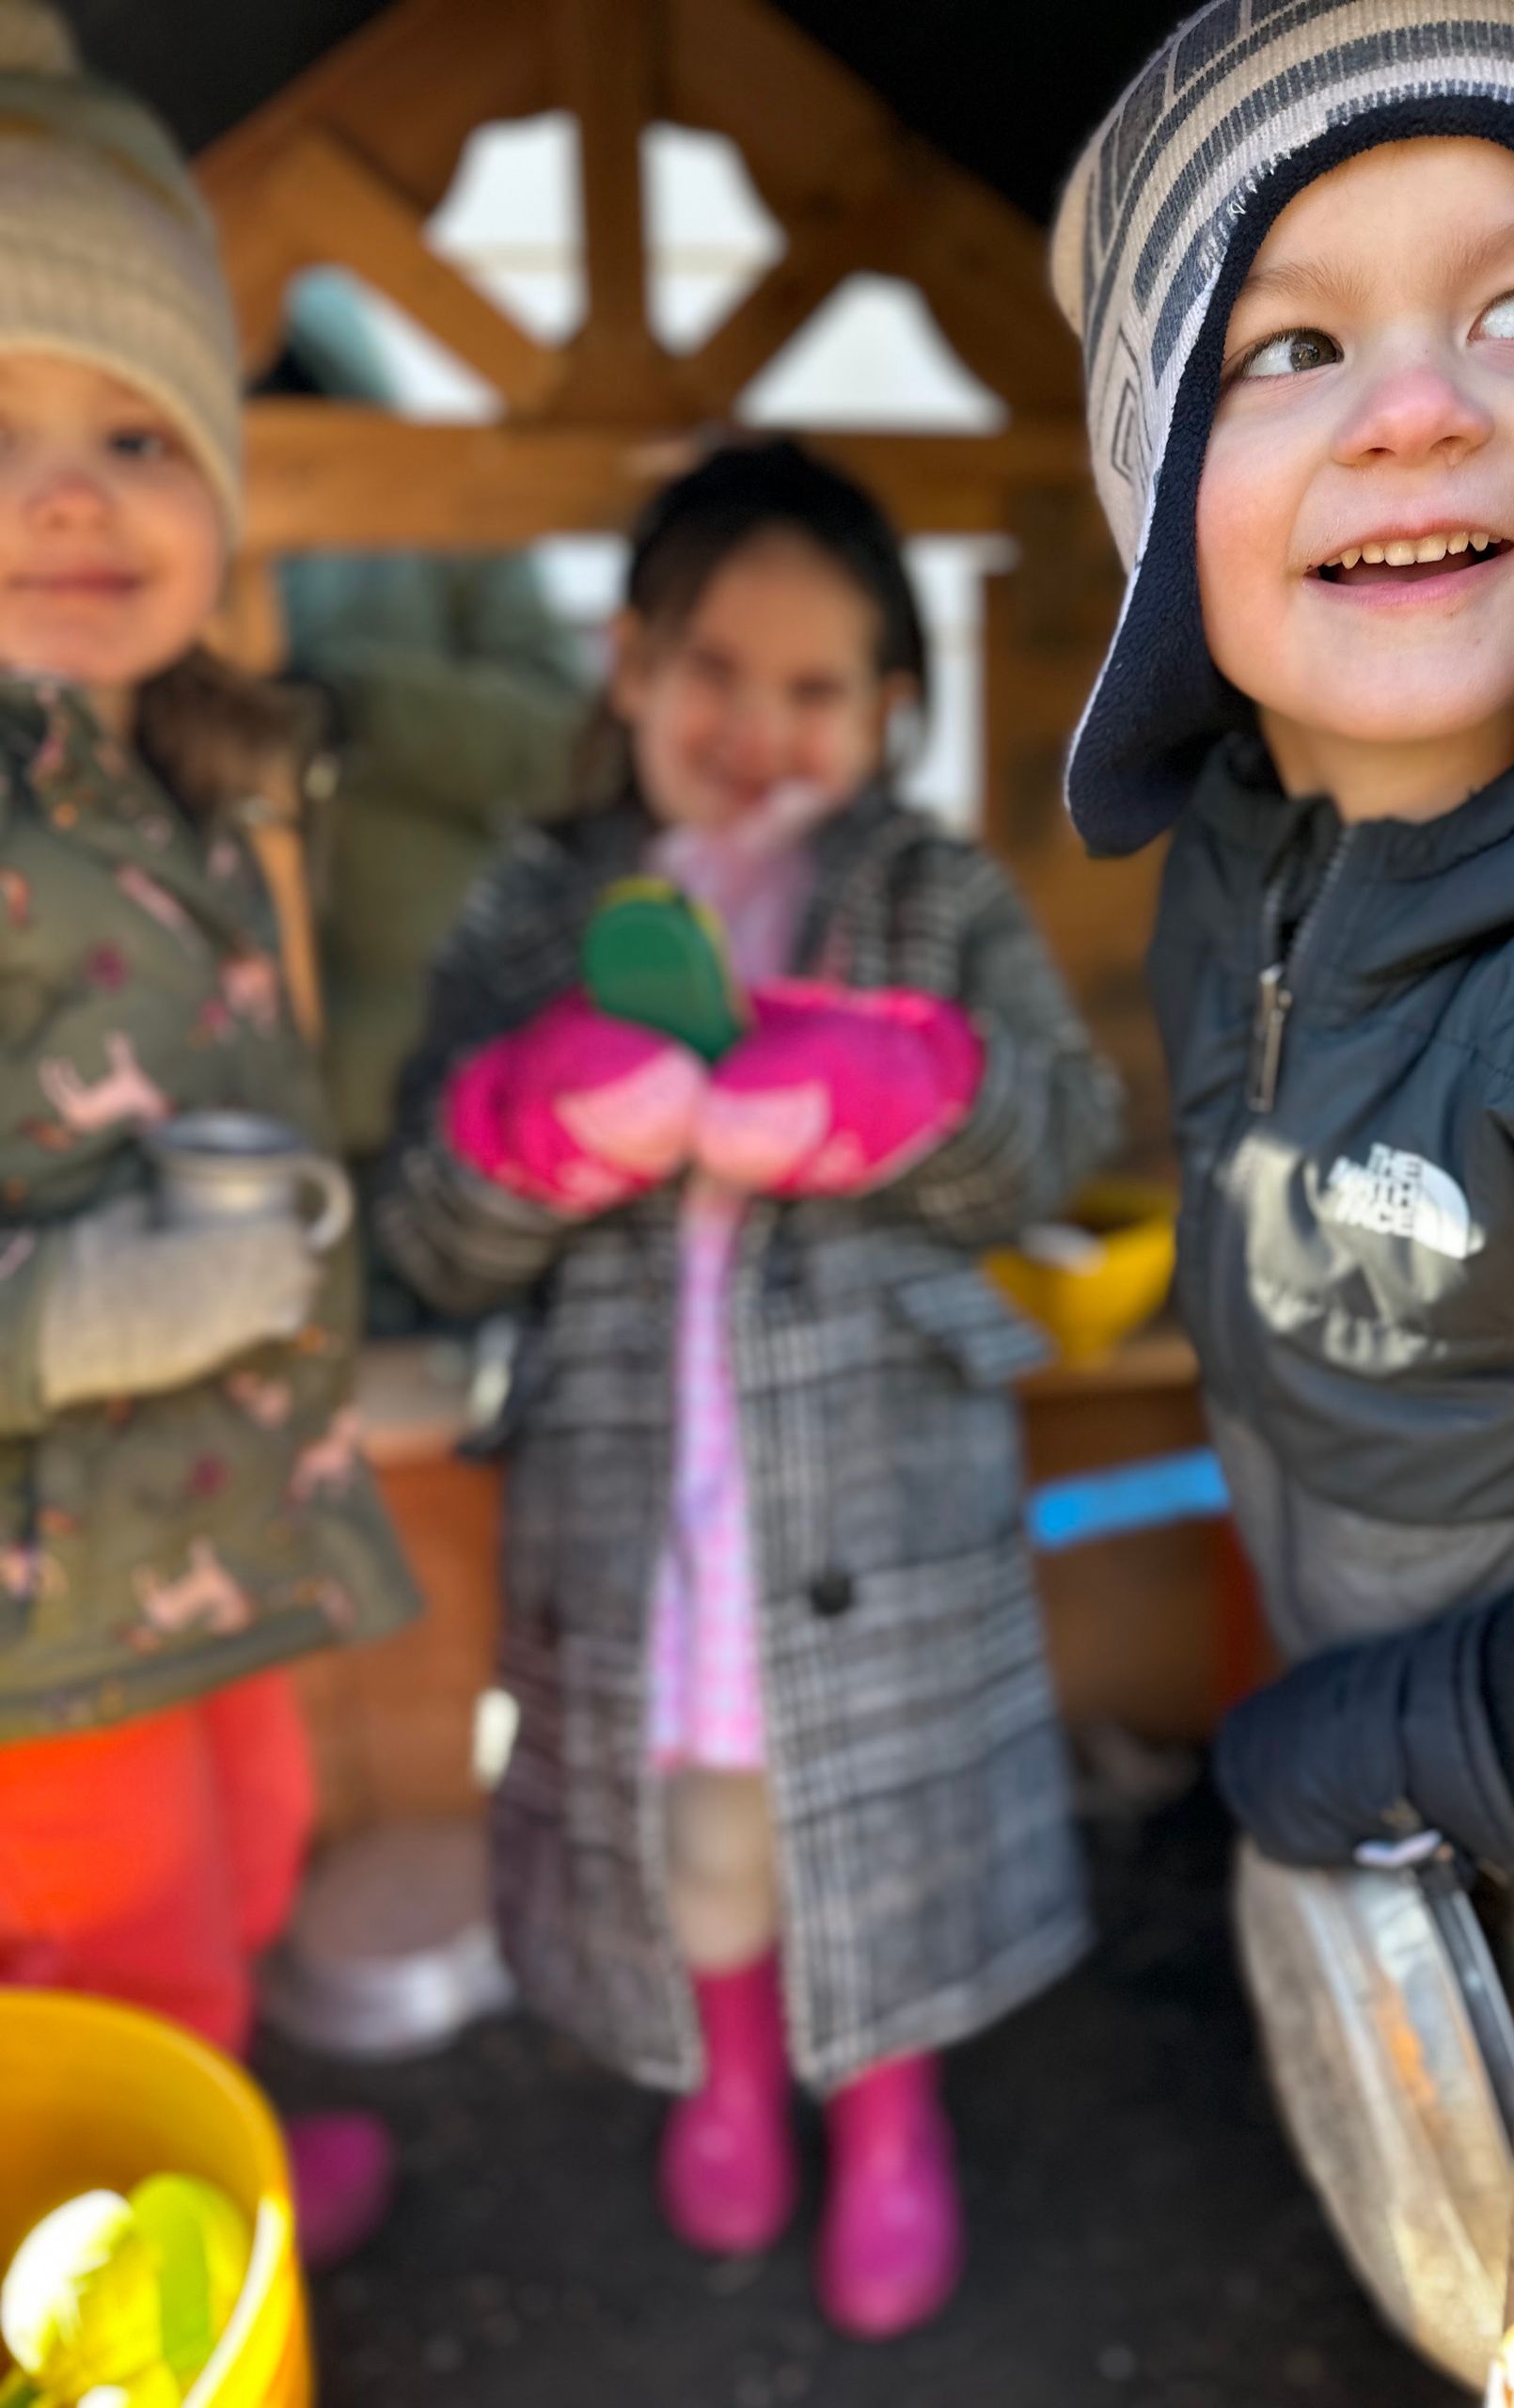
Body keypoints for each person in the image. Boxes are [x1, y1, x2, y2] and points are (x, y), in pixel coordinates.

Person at [376, 437, 1121, 2337]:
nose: (758, 725)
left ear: (889, 710)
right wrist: (529, 1126)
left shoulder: (937, 892)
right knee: (697, 1814)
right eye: (713, 668)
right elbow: (424, 1228)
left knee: (877, 1818)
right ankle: (725, 2072)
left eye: (816, 687)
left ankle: (887, 2117)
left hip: (881, 1477)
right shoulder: (536, 902)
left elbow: (1062, 1129)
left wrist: (924, 1090)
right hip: (643, 1505)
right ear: (627, 660)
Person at [1051, 2, 1514, 1877]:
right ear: (1157, 493)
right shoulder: (1235, 842)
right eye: (1293, 345)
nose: (1418, 410)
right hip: (1358, 1698)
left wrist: (1411, 1743)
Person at [0, 1, 419, 2265]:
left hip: (202, 1521)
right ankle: (137, 2275)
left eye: (140, 432)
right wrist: (101, 1301)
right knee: (121, 1942)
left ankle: (213, 2135)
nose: (74, 492)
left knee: (248, 1845)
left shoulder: (173, 771)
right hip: (37, 1609)